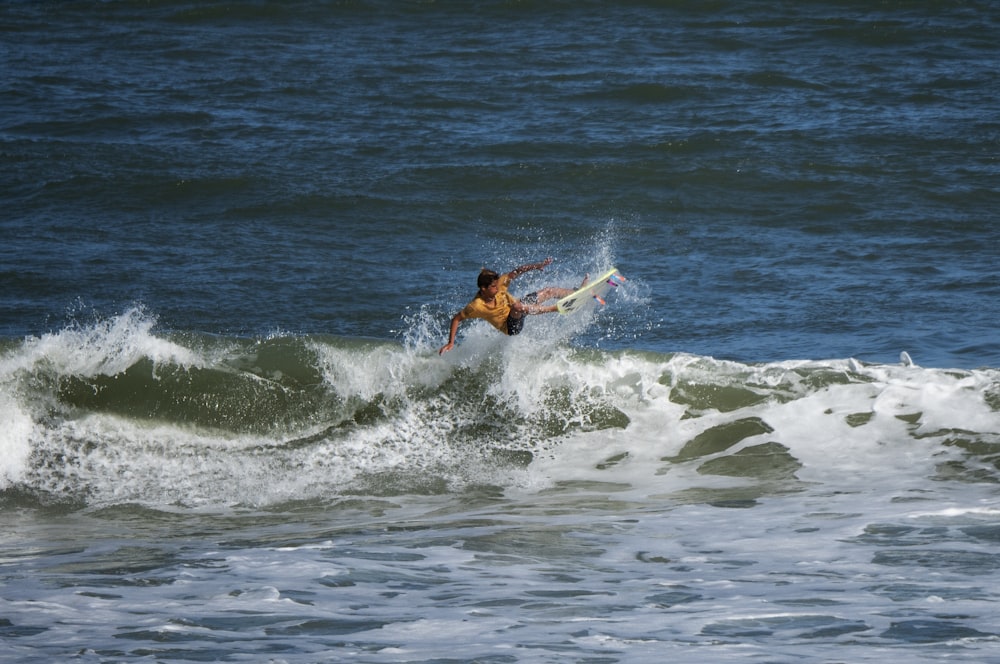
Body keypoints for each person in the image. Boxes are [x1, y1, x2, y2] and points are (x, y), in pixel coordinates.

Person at [438, 257, 582, 355]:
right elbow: (456, 319)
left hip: (519, 309)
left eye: (496, 285)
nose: (497, 288)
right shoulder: (476, 306)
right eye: (493, 287)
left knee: (548, 291)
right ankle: (555, 308)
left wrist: (537, 266)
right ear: (483, 288)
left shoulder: (498, 285)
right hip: (511, 327)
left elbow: (516, 272)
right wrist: (451, 342)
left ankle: (576, 292)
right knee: (518, 306)